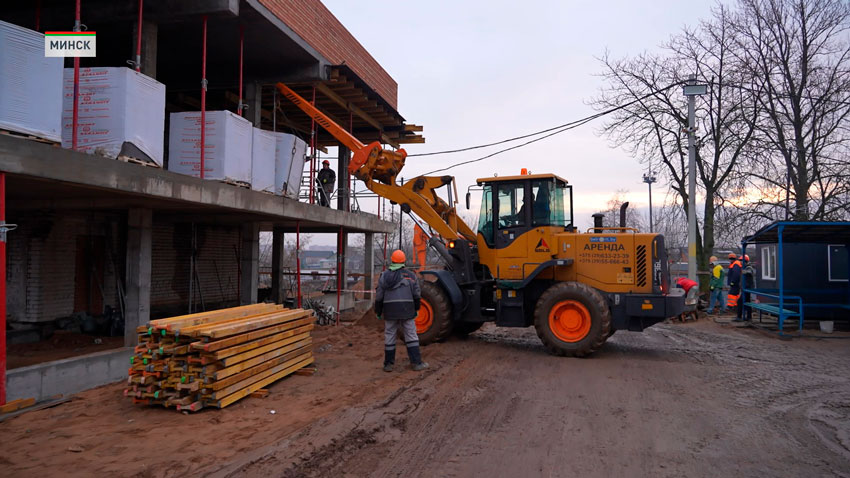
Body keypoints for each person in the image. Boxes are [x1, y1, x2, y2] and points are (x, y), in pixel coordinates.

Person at [374, 250, 429, 372]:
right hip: (407, 310)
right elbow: (416, 294)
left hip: (390, 311)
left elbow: (379, 296)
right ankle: (416, 363)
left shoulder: (384, 276)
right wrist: (416, 308)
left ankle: (388, 364)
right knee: (411, 335)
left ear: (392, 260)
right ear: (404, 260)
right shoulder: (411, 275)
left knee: (390, 335)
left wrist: (378, 311)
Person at [737, 255, 756, 322]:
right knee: (747, 302)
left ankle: (740, 317)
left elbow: (749, 272)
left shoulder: (749, 267)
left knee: (740, 302)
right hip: (745, 288)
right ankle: (749, 317)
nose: (740, 262)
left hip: (747, 288)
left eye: (741, 261)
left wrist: (744, 272)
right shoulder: (744, 267)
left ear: (745, 261)